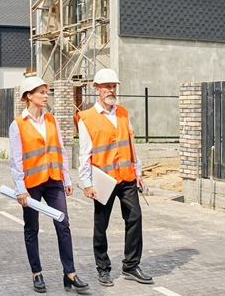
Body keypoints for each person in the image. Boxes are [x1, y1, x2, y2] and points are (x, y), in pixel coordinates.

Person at [9, 76, 89, 293]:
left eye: (46, 92)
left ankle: (70, 273)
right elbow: (16, 160)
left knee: (63, 225)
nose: (46, 96)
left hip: (54, 181)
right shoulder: (18, 125)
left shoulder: (52, 120)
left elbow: (60, 150)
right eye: (41, 92)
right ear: (28, 96)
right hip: (31, 185)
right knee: (32, 229)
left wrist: (67, 179)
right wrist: (20, 189)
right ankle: (37, 274)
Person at [77, 68, 154, 286]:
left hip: (127, 178)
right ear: (97, 89)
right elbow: (85, 153)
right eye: (107, 86)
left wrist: (138, 172)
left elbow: (130, 144)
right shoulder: (87, 118)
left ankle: (131, 265)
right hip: (103, 180)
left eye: (113, 86)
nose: (111, 90)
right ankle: (103, 268)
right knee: (101, 225)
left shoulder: (122, 113)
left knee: (135, 218)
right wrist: (87, 184)